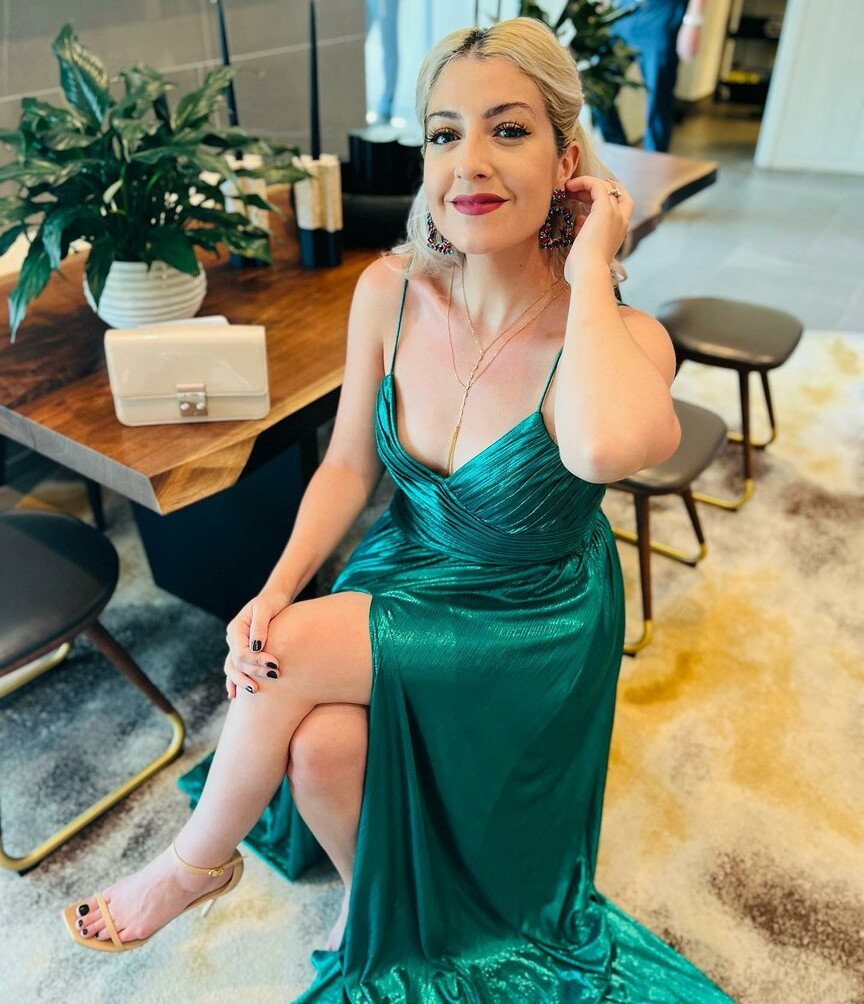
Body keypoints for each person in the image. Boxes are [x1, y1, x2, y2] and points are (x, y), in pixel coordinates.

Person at [63, 16, 737, 1003]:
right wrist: (276, 585)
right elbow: (345, 466)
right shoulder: (390, 289)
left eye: (509, 130)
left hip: (530, 615)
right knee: (319, 745)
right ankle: (374, 899)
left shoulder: (621, 336)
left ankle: (191, 867)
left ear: (569, 160)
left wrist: (590, 266)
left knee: (289, 653)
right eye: (444, 132)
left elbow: (602, 449)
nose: (471, 161)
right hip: (410, 565)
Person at [592, 0, 709, 152]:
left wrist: (694, 22)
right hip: (622, 10)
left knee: (658, 101)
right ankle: (621, 151)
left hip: (662, 13)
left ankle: (654, 159)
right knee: (596, 89)